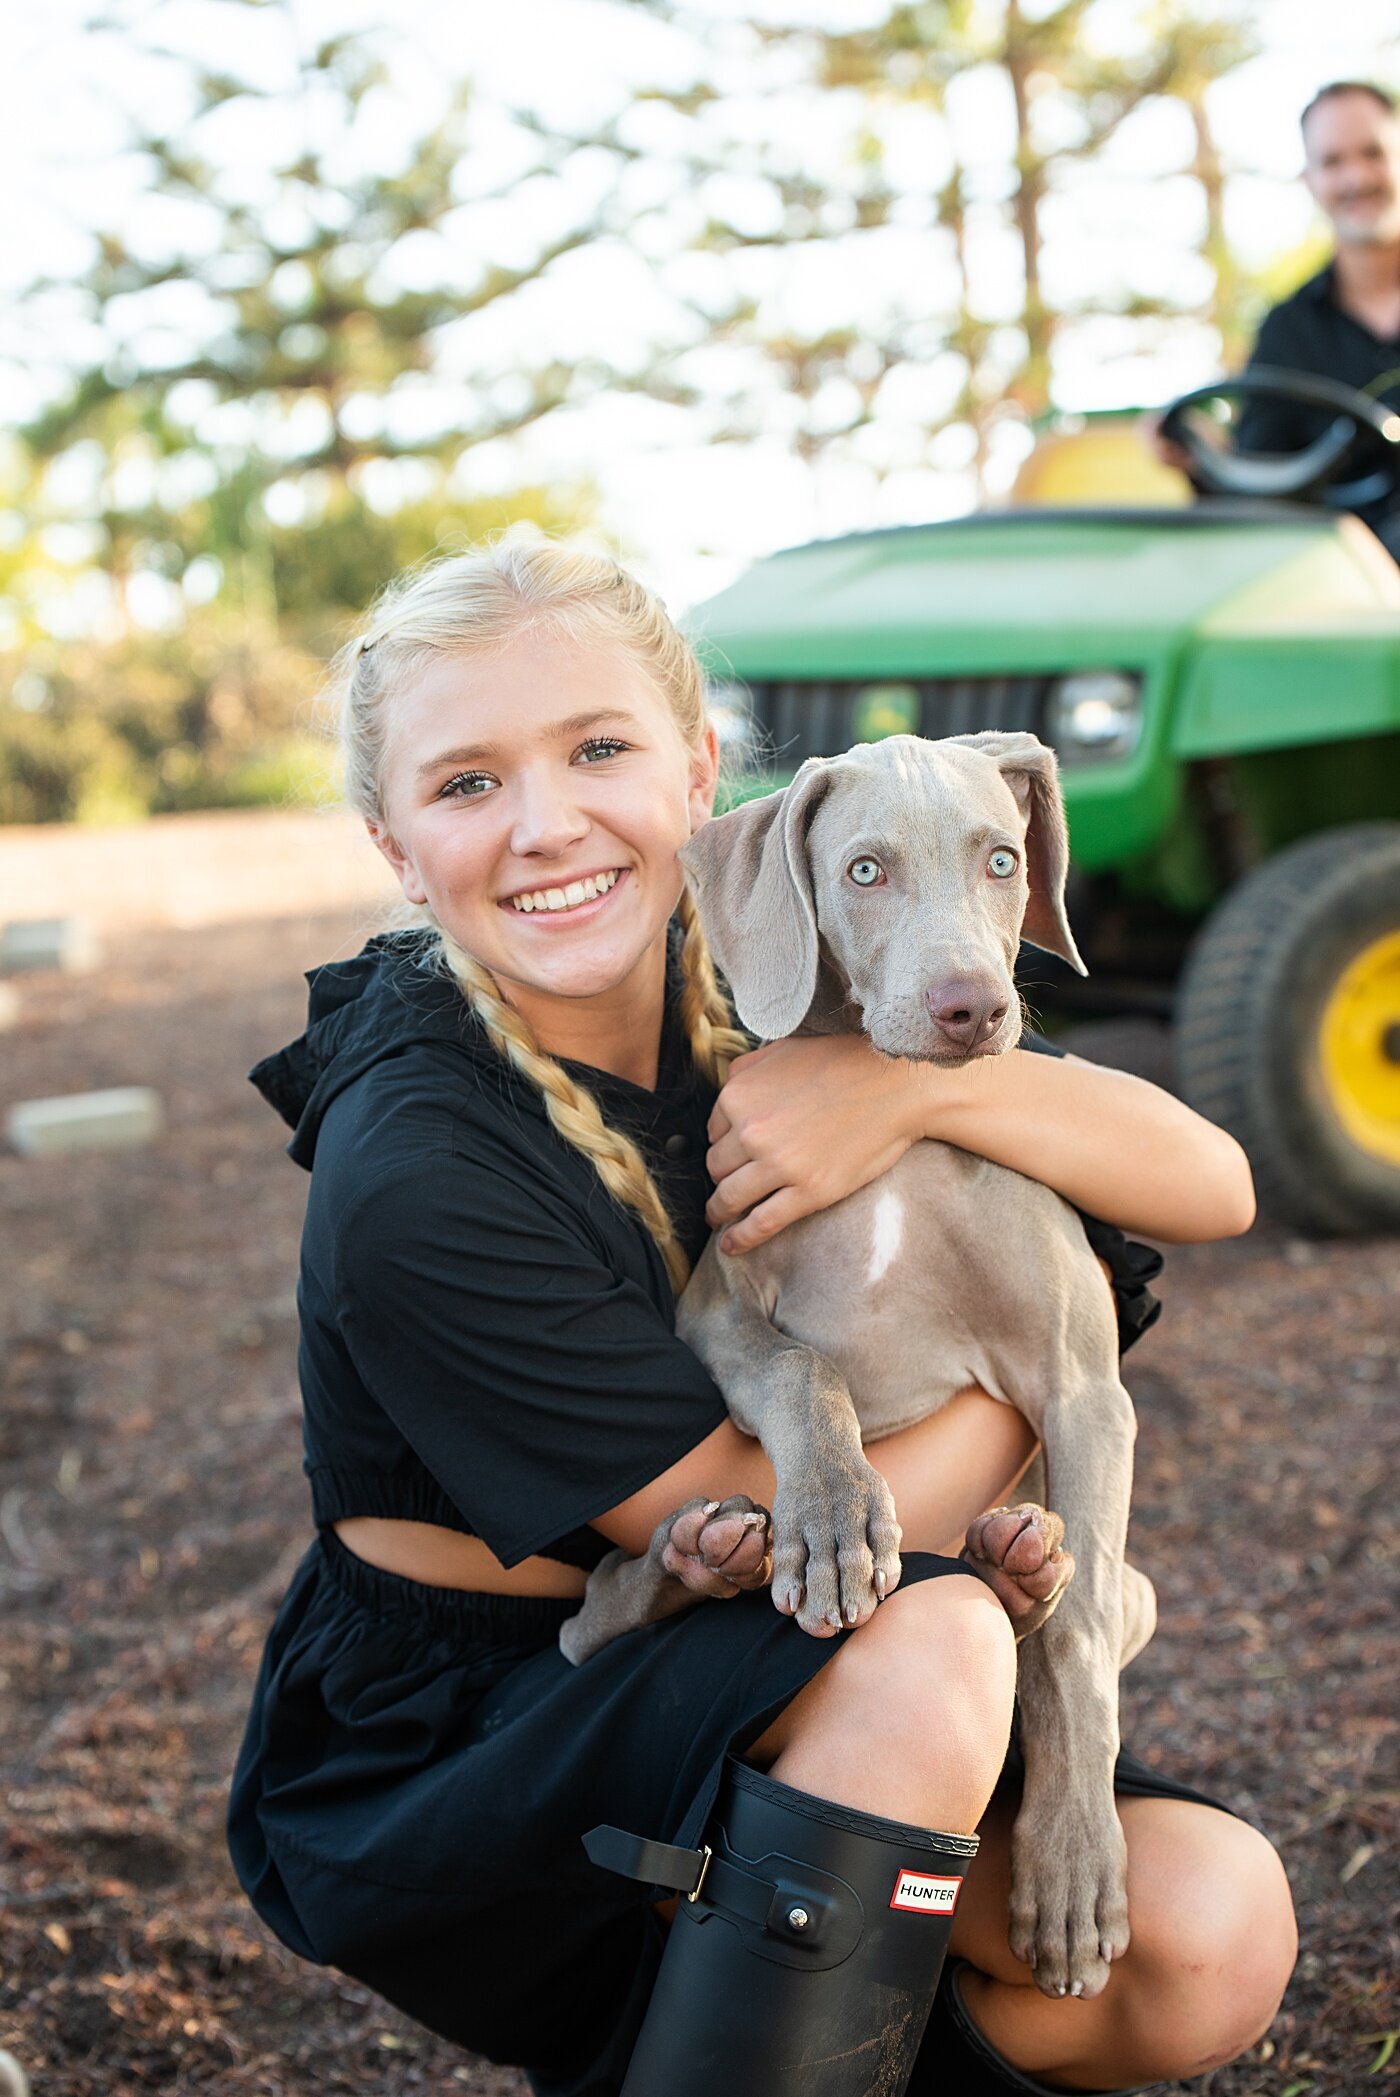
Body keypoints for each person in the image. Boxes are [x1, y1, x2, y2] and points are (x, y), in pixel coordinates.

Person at [227, 539, 1295, 2096]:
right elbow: (785, 1539)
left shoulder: (777, 973)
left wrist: (898, 1078)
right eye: (467, 784)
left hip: (785, 1712)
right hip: (505, 1732)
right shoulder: (418, 1163)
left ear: (700, 772)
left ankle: (749, 2046)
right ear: (395, 845)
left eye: (598, 749)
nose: (548, 824)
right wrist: (1028, 1386)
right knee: (937, 1635)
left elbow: (1210, 1181)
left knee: (1207, 1931)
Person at [1153, 82, 1400, 549]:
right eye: (1333, 161)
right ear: (1309, 179)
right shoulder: (1287, 332)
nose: (1356, 179)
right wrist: (1201, 458)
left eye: (1373, 153)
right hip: (1336, 589)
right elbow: (1256, 498)